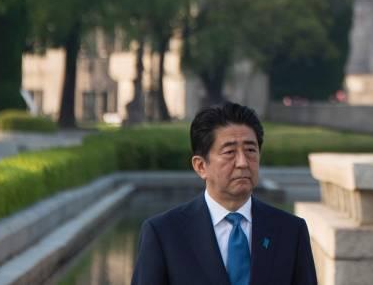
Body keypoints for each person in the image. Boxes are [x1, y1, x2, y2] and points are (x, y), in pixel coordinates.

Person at [132, 102, 318, 285]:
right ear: (201, 166)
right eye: (229, 152)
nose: (243, 162)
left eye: (250, 150)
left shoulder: (290, 231)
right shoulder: (164, 233)